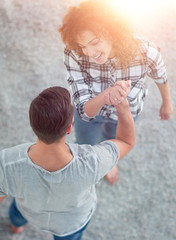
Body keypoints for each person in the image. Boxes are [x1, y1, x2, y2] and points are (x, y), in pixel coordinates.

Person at [0, 85, 135, 240]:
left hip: (28, 211)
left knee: (17, 215)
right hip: (71, 224)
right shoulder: (94, 162)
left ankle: (16, 227)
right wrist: (123, 106)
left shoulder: (5, 164)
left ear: (33, 124)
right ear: (69, 129)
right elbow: (126, 141)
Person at [58, 0, 173, 184]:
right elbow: (84, 111)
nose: (89, 52)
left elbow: (160, 76)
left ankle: (108, 162)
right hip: (91, 114)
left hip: (127, 112)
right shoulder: (74, 54)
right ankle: (86, 166)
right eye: (83, 46)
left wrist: (166, 102)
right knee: (84, 143)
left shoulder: (146, 52)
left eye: (94, 42)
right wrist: (107, 95)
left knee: (112, 140)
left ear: (111, 30)